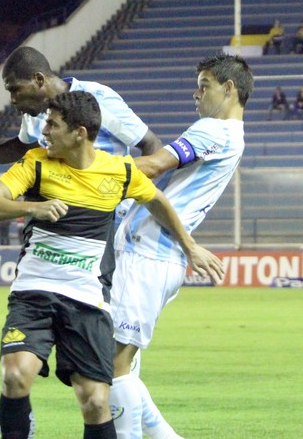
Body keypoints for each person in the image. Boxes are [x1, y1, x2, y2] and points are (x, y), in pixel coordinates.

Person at [0, 46, 180, 437]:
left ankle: (133, 422)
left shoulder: (99, 101)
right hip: (57, 236)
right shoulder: (40, 124)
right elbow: (24, 150)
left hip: (104, 235)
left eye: (15, 91)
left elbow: (151, 146)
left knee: (110, 364)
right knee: (90, 364)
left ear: (39, 80)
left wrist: (125, 210)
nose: (13, 101)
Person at [0, 91, 224, 439]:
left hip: (87, 301)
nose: (44, 131)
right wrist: (33, 208)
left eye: (53, 124)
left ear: (80, 132)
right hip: (34, 294)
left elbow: (158, 202)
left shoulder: (118, 171)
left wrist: (190, 246)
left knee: (94, 400)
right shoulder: (37, 163)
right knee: (15, 375)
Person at [108, 53, 253, 439]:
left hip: (149, 255)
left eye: (204, 85)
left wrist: (87, 170)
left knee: (113, 364)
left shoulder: (214, 131)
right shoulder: (234, 137)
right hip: (154, 255)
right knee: (123, 363)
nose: (196, 94)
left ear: (229, 88)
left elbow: (155, 166)